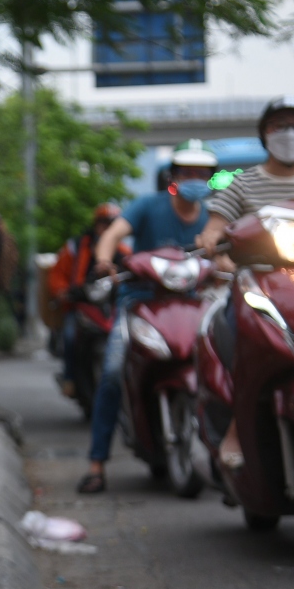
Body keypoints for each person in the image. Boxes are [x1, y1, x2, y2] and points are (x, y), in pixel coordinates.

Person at [197, 97, 294, 470]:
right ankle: (237, 423)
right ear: (265, 133)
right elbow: (215, 228)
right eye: (279, 125)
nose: (289, 133)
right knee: (230, 336)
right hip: (259, 291)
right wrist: (211, 240)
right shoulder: (242, 184)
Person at [75, 141, 216, 494]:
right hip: (139, 303)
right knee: (111, 372)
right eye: (188, 172)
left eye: (202, 173)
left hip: (192, 307)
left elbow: (227, 252)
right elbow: (113, 235)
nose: (195, 179)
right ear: (174, 176)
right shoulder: (148, 206)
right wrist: (104, 259)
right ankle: (96, 464)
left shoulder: (213, 217)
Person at [49, 203, 128, 399]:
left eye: (111, 224)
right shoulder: (76, 247)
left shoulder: (124, 252)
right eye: (104, 223)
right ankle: (69, 378)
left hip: (110, 306)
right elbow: (57, 274)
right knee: (69, 336)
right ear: (96, 224)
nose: (107, 228)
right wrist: (62, 291)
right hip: (81, 304)